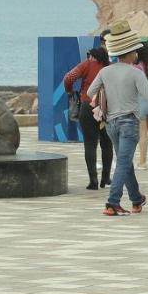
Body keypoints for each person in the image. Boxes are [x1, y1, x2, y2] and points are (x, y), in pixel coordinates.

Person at [88, 23, 148, 214]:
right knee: (124, 162)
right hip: (129, 122)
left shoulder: (105, 71)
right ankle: (112, 202)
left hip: (111, 123)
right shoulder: (136, 72)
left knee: (124, 161)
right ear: (130, 53)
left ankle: (136, 199)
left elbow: (90, 92)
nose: (137, 53)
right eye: (135, 50)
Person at [64, 37, 114, 189]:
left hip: (87, 106)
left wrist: (69, 90)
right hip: (107, 107)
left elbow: (69, 77)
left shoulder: (87, 64)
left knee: (90, 144)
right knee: (107, 143)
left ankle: (93, 180)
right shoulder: (110, 67)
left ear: (93, 56)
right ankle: (105, 178)